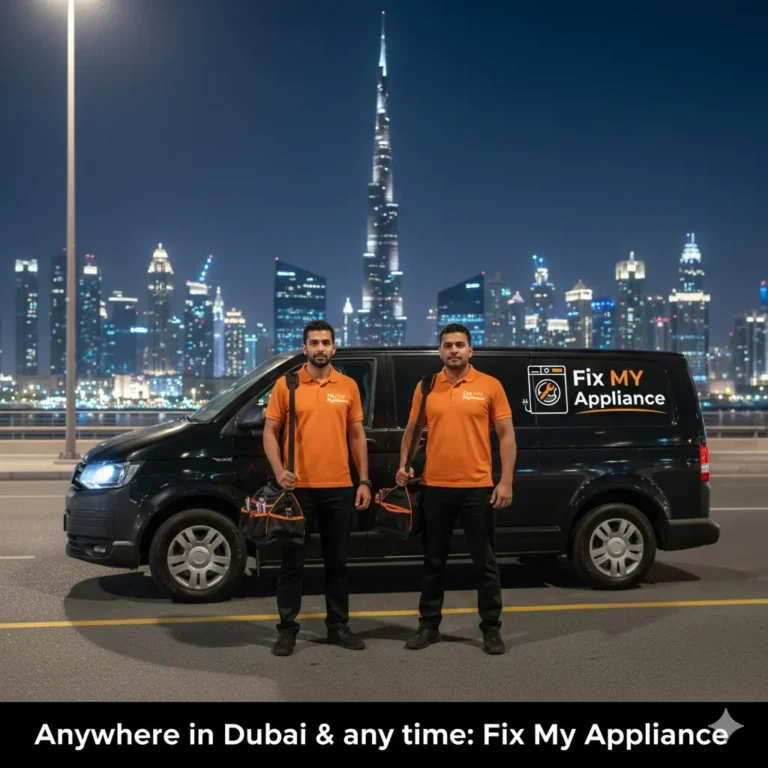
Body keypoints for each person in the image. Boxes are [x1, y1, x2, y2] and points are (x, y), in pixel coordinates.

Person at [396, 323, 516, 654]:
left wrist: (505, 480)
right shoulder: (427, 386)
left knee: (485, 563)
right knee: (433, 562)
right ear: (440, 351)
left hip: (477, 488)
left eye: (459, 345)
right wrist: (404, 465)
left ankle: (491, 628)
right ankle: (428, 626)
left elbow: (506, 434)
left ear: (470, 350)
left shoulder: (490, 386)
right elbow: (412, 430)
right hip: (435, 488)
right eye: (447, 345)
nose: (453, 350)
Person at [263, 320, 371, 656]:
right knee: (291, 564)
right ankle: (287, 630)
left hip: (339, 487)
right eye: (314, 343)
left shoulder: (348, 386)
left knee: (337, 563)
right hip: (298, 491)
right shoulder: (288, 384)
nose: (320, 348)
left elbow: (356, 436)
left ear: (334, 348)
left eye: (326, 342)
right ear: (304, 348)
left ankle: (338, 627)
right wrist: (280, 471)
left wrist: (363, 480)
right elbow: (269, 432)